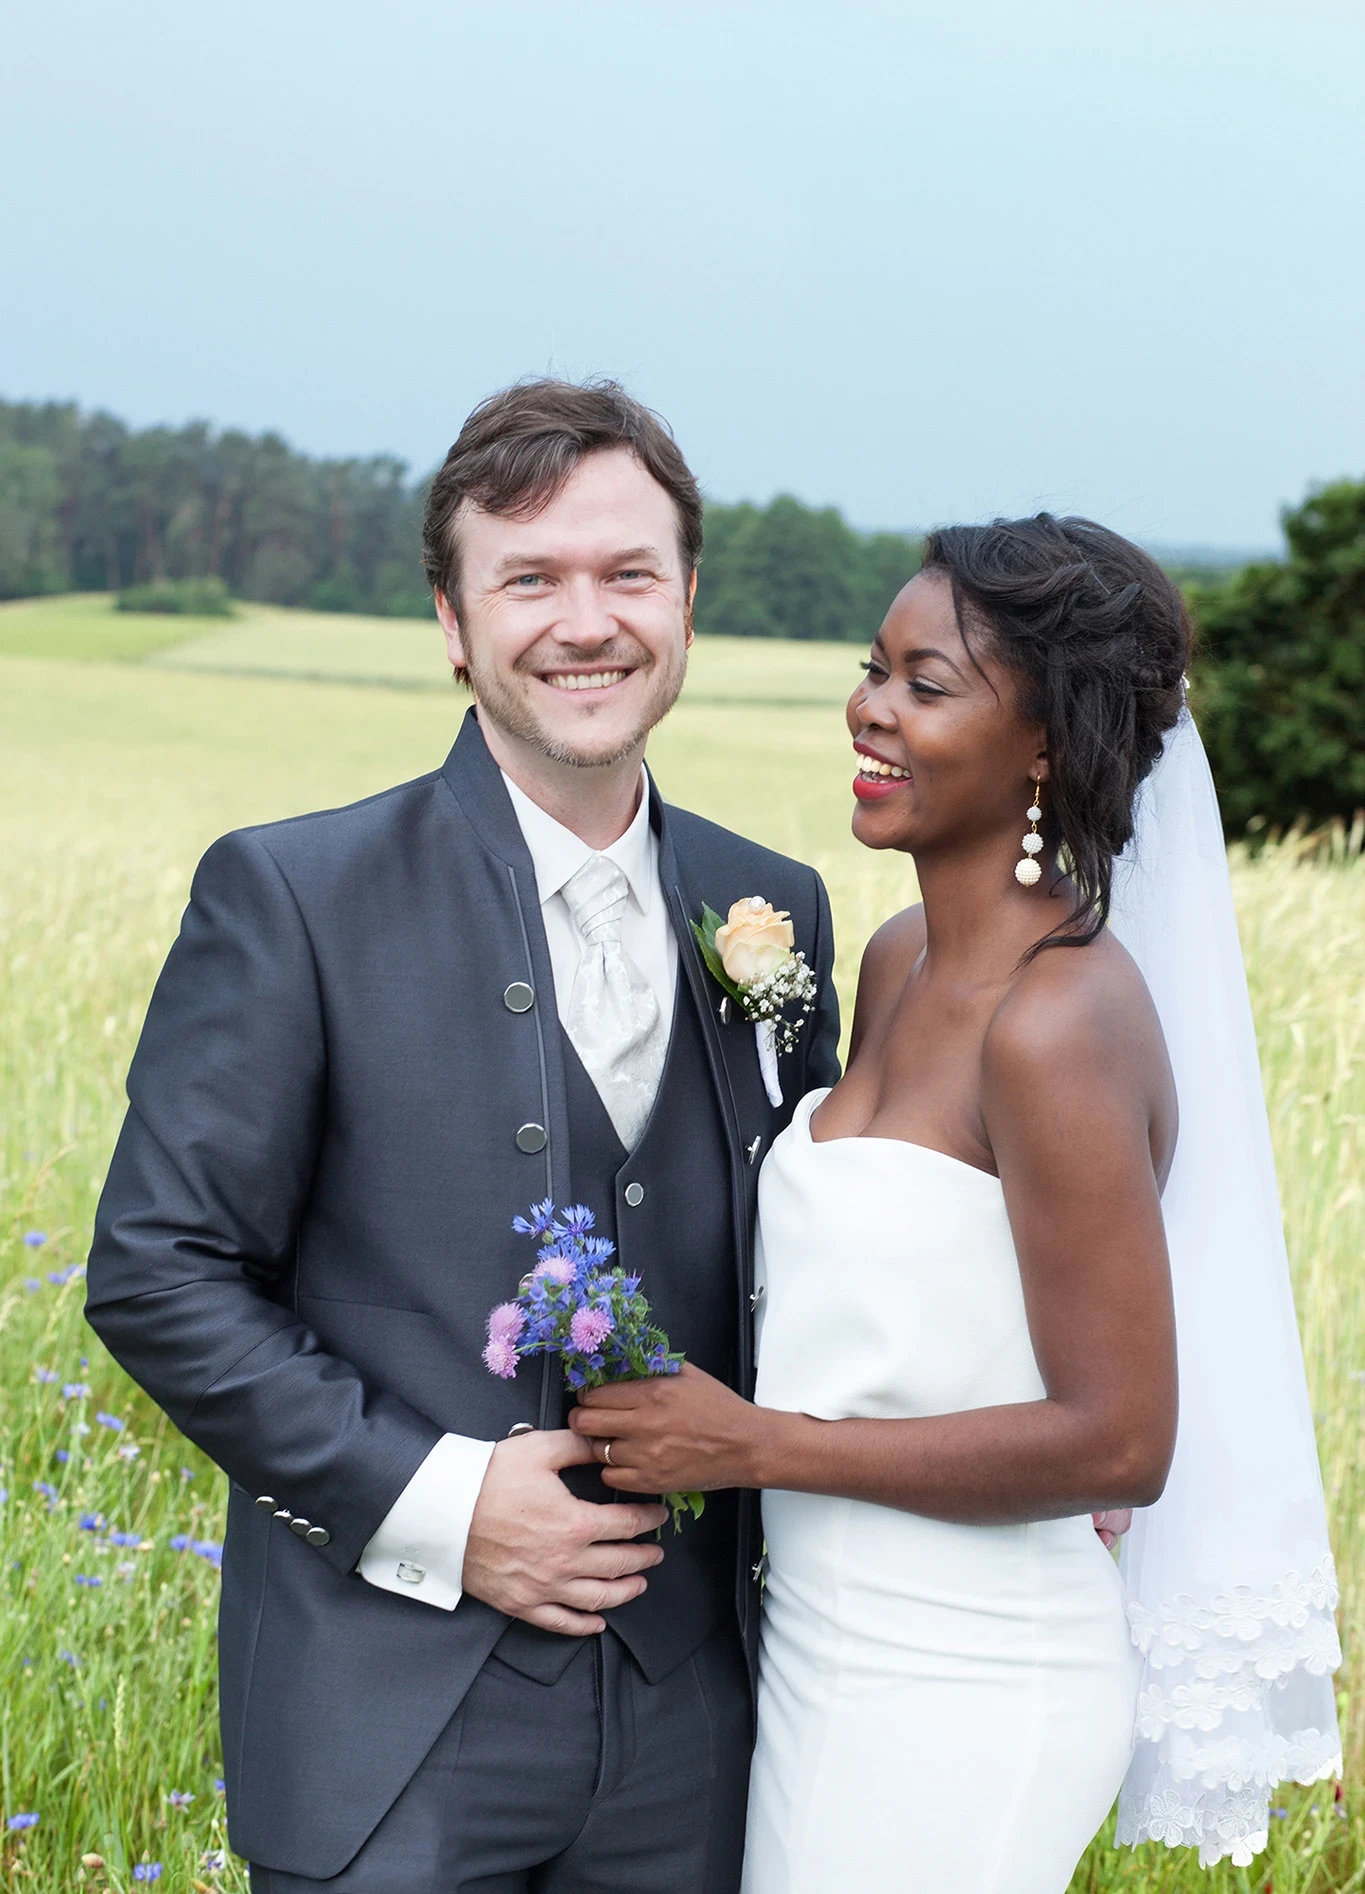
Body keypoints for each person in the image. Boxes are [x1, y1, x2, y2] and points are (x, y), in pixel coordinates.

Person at [85, 378, 844, 1891]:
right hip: (389, 1732)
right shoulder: (293, 895)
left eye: (629, 572)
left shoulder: (779, 907)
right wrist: (441, 1503)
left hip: (701, 1720)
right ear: (452, 622)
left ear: (689, 597)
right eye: (530, 578)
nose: (588, 620)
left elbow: (821, 1260)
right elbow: (157, 1270)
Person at [570, 516, 1341, 1889]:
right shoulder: (897, 956)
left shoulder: (1059, 1021)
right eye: (876, 670)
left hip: (968, 1680)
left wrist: (756, 1443)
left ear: (1047, 742)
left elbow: (1118, 1442)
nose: (869, 708)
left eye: (927, 687)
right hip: (826, 1650)